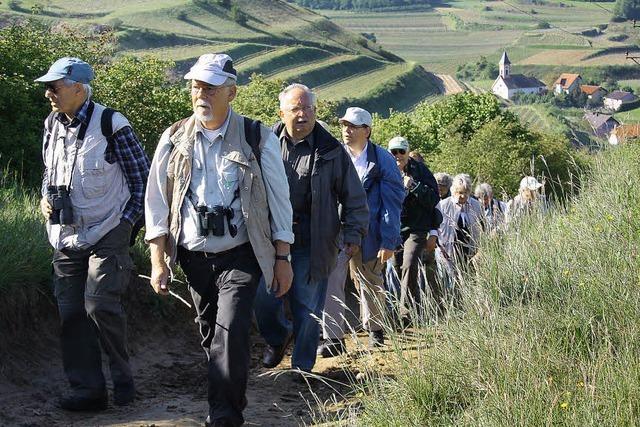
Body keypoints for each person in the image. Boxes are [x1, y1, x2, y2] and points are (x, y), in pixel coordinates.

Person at [144, 53, 294, 427]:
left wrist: (282, 256)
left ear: (232, 93)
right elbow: (156, 203)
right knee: (212, 335)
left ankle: (224, 415)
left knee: (231, 330)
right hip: (193, 257)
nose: (201, 94)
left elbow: (279, 200)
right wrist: (157, 260)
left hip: (242, 254)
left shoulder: (258, 137)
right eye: (196, 86)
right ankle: (227, 401)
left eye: (210, 88)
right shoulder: (174, 137)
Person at [36, 57, 149, 411]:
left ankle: (122, 379)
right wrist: (44, 197)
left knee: (99, 304)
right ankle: (87, 390)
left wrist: (125, 226)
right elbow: (48, 169)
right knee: (71, 313)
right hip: (65, 235)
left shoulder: (112, 124)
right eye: (48, 87)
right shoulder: (51, 124)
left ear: (79, 89)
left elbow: (142, 182)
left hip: (108, 230)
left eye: (54, 87)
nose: (48, 93)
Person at [254, 84, 368, 373]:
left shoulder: (332, 150)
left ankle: (302, 367)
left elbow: (354, 196)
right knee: (264, 298)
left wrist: (352, 233)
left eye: (309, 109)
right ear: (281, 113)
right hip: (269, 239)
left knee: (307, 309)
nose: (303, 114)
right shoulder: (263, 143)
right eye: (296, 109)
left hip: (312, 239)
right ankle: (278, 337)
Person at [318, 107, 404, 356]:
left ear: (367, 130)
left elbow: (392, 203)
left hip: (371, 231)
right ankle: (333, 338)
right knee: (332, 277)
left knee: (369, 281)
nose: (347, 130)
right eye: (345, 125)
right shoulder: (335, 155)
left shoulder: (382, 160)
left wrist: (388, 241)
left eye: (353, 126)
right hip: (338, 230)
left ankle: (375, 329)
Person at [388, 136, 442, 323]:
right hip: (394, 228)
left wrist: (414, 185)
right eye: (393, 151)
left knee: (410, 264)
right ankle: (415, 308)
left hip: (416, 228)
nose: (397, 155)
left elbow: (434, 199)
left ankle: (405, 313)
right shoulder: (384, 169)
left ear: (407, 152)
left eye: (401, 151)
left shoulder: (420, 171)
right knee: (398, 268)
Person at [436, 174, 484, 298]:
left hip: (470, 252)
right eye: (459, 192)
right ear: (453, 191)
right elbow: (435, 229)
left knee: (468, 284)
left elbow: (482, 227)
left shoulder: (476, 205)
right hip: (446, 252)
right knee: (449, 286)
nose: (462, 196)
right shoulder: (442, 205)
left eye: (466, 192)